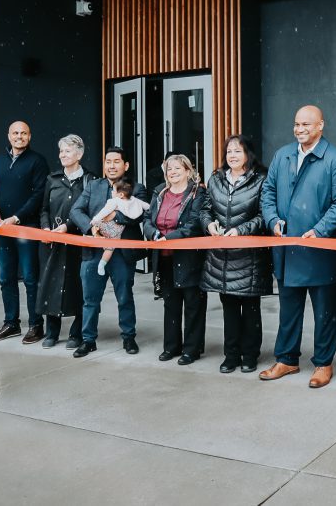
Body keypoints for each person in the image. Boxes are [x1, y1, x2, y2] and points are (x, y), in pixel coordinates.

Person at [260, 105, 336, 388]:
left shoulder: (335, 159)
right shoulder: (282, 155)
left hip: (320, 251)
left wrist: (320, 230)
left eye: (306, 125)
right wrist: (272, 219)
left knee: (325, 312)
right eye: (296, 124)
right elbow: (268, 192)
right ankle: (286, 359)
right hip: (287, 250)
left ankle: (324, 363)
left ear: (321, 126)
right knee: (288, 309)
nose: (300, 130)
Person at [200, 135, 272, 374]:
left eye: (237, 151)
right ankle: (230, 355)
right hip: (222, 256)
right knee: (229, 310)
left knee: (251, 311)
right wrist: (209, 224)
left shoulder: (260, 180)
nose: (232, 155)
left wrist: (240, 230)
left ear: (248, 155)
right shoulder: (216, 179)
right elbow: (206, 209)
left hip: (250, 257)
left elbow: (264, 216)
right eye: (229, 151)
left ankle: (250, 354)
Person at [69, 146, 148, 358]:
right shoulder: (93, 186)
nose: (111, 166)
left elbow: (136, 216)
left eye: (116, 162)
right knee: (90, 299)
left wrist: (109, 218)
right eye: (108, 162)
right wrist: (91, 228)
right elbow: (75, 211)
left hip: (122, 253)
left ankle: (129, 337)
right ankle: (88, 340)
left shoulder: (136, 188)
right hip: (94, 251)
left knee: (125, 296)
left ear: (126, 165)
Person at [0, 120, 50, 344]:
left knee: (31, 278)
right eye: (15, 133)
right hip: (3, 228)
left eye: (23, 133)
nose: (19, 136)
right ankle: (11, 323)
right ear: (9, 135)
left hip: (27, 227)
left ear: (30, 137)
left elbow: (39, 195)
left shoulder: (37, 161)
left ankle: (36, 325)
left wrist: (16, 217)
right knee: (6, 278)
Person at [143, 154, 208, 365]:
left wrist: (168, 238)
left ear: (188, 171)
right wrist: (153, 234)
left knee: (193, 304)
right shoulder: (159, 192)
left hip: (189, 257)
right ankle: (171, 347)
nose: (172, 172)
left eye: (177, 168)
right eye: (169, 169)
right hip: (164, 257)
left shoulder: (198, 193)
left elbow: (194, 223)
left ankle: (192, 349)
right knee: (170, 303)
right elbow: (147, 219)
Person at [37, 134, 96, 349]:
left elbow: (89, 211)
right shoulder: (52, 179)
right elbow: (43, 209)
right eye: (61, 151)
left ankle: (76, 333)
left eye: (67, 151)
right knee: (50, 285)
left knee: (78, 286)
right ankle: (51, 332)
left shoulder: (90, 180)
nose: (62, 155)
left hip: (77, 243)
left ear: (79, 154)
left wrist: (68, 227)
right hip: (51, 242)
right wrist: (45, 228)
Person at [90, 180, 149, 275]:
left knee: (96, 228)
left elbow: (104, 212)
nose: (112, 193)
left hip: (108, 226)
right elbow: (147, 207)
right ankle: (102, 263)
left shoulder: (115, 201)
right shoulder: (135, 200)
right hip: (119, 230)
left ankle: (97, 239)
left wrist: (94, 220)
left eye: (114, 191)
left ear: (121, 194)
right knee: (110, 247)